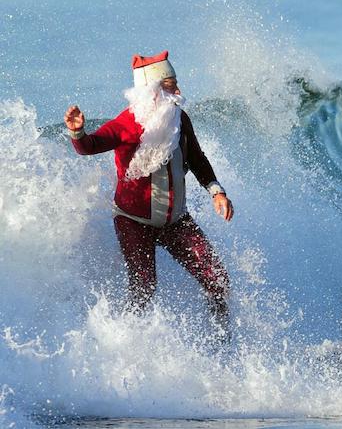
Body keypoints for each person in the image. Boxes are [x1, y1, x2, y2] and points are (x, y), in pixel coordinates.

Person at [64, 50, 233, 323]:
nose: (177, 89)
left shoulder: (180, 119)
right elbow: (89, 146)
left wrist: (217, 191)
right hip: (133, 221)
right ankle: (123, 340)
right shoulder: (126, 124)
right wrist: (77, 133)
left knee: (218, 281)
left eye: (176, 82)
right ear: (151, 91)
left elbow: (198, 160)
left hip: (176, 221)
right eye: (169, 86)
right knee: (144, 288)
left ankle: (221, 343)